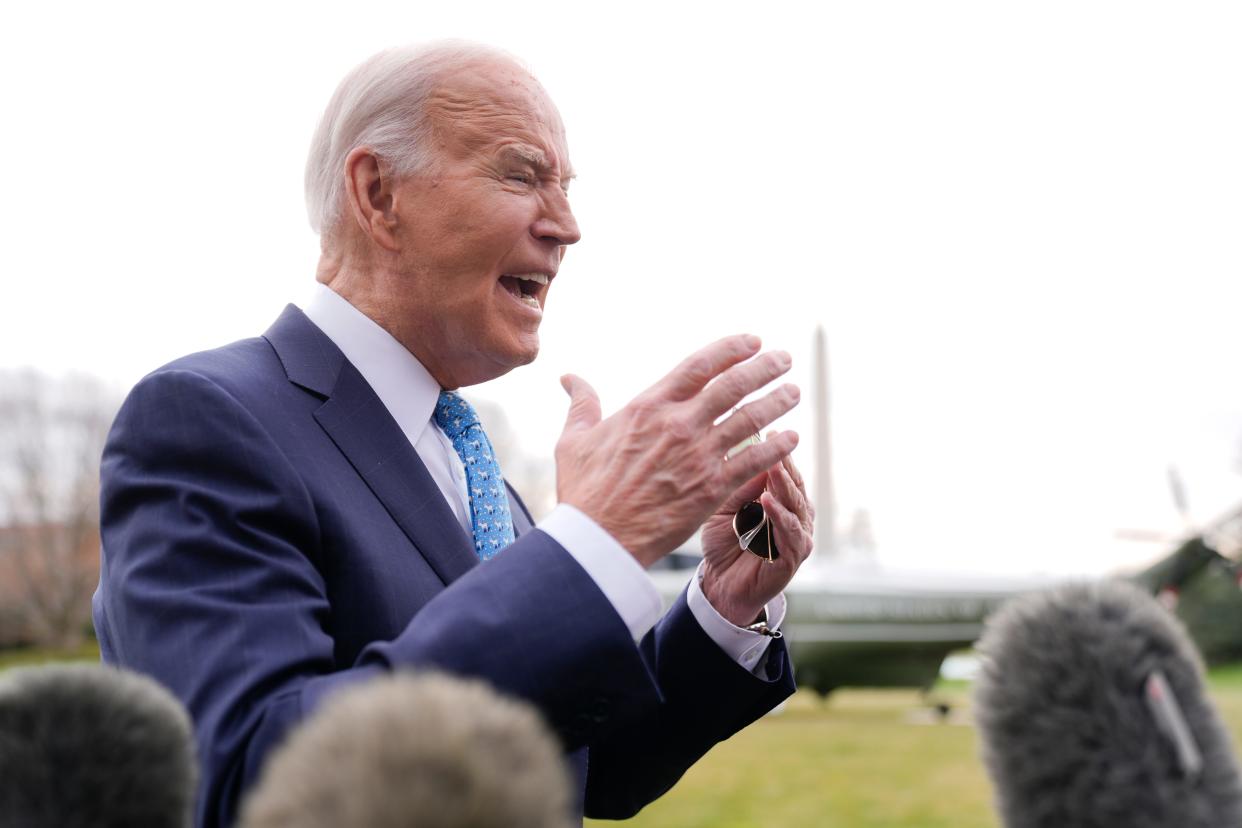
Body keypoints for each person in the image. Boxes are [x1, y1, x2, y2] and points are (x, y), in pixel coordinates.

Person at [93, 41, 815, 828]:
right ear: (378, 195)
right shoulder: (206, 422)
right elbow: (249, 780)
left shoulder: (475, 472)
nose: (568, 227)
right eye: (521, 174)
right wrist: (593, 545)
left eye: (566, 187)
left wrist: (719, 608)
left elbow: (579, 765)